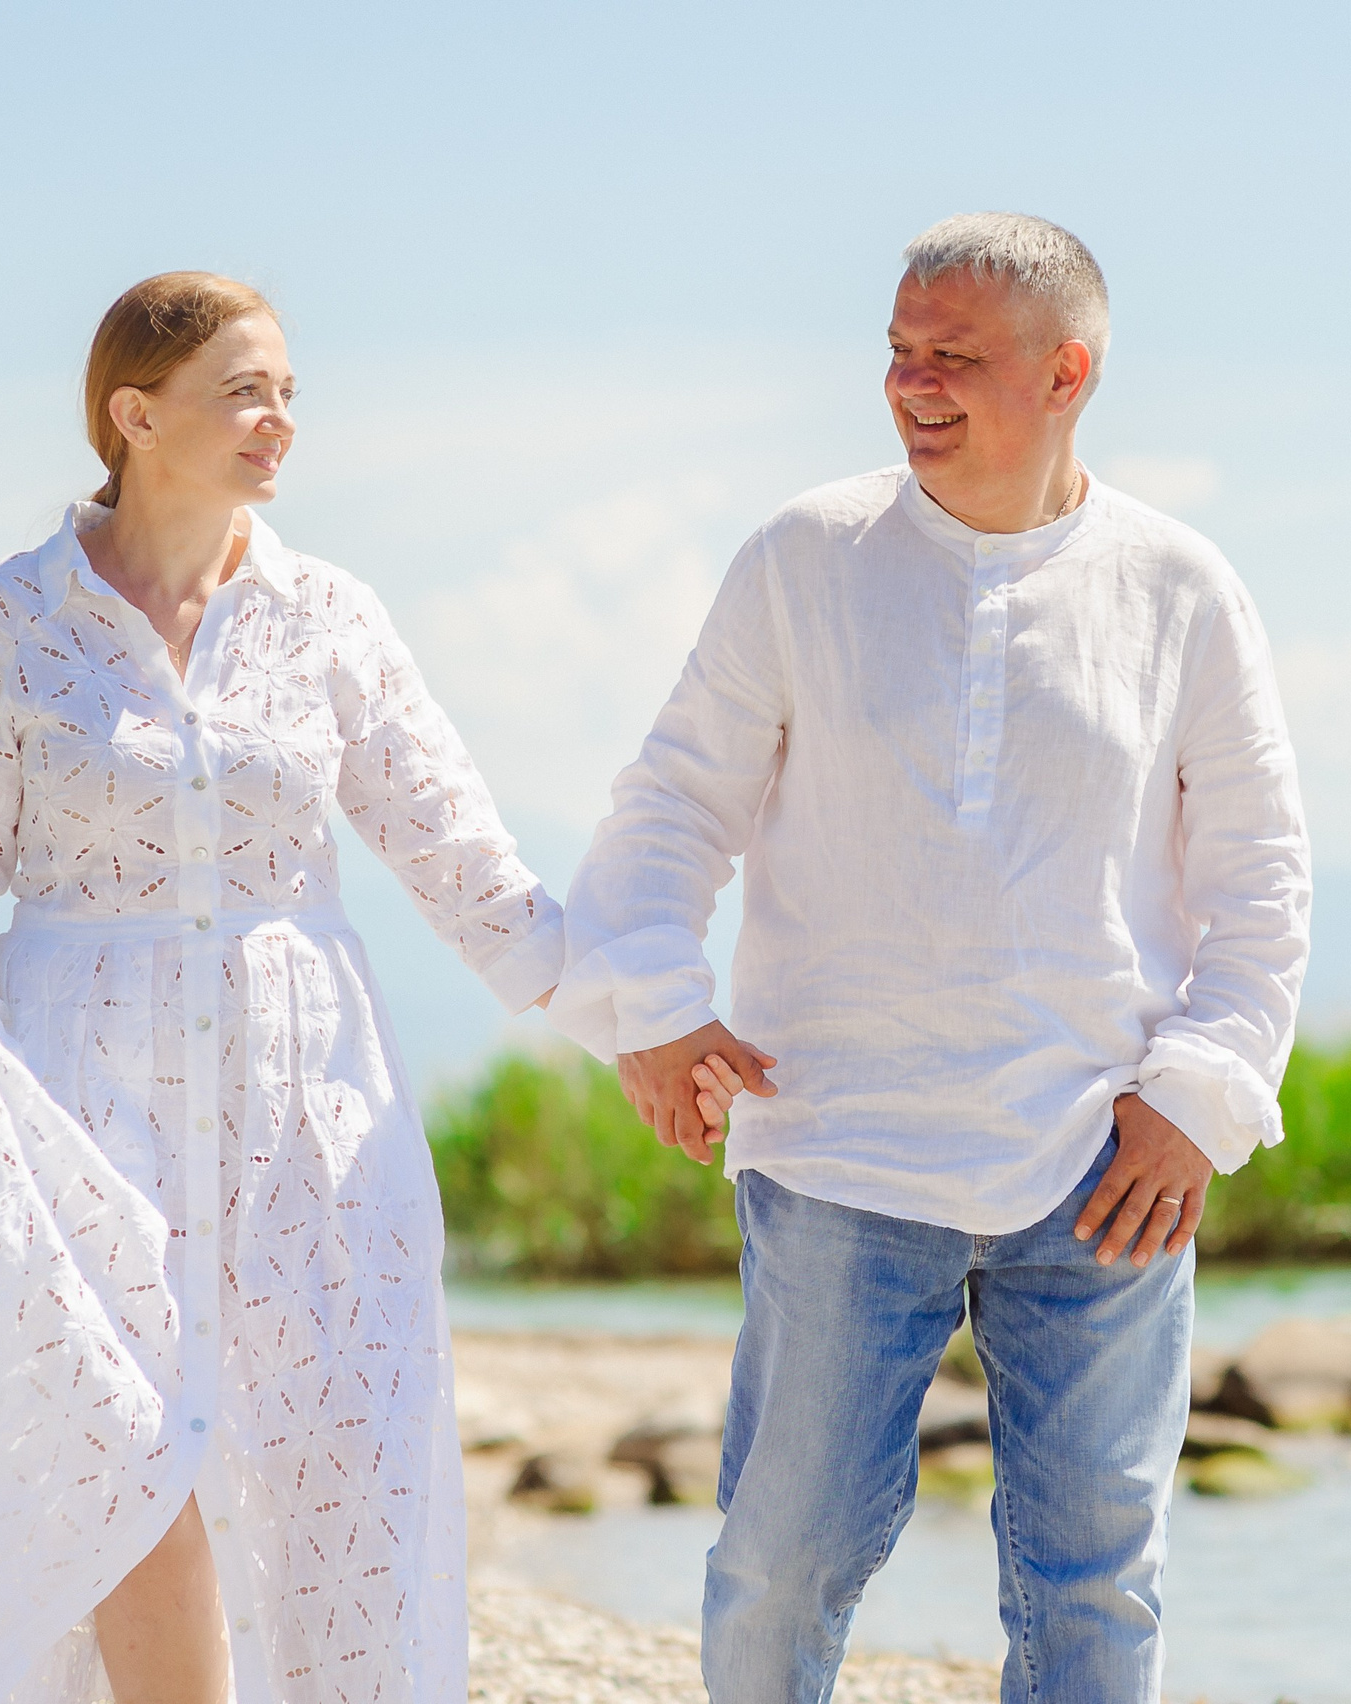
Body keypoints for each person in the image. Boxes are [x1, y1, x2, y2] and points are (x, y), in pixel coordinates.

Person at [0, 273, 563, 1704]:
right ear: (134, 414)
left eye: (290, 390)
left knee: (336, 1456)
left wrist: (651, 1023)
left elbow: (465, 862)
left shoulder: (331, 618)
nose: (280, 420)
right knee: (115, 1444)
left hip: (308, 1105)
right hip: (77, 1092)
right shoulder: (7, 621)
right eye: (247, 390)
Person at [548, 212, 1311, 1703]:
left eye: (954, 357)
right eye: (898, 353)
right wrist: (654, 1007)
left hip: (1103, 1162)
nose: (913, 386)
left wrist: (1202, 1091)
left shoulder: (1182, 588)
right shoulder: (802, 557)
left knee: (1099, 1577)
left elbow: (1260, 879)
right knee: (783, 1562)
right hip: (839, 1142)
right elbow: (668, 809)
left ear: (1068, 371)